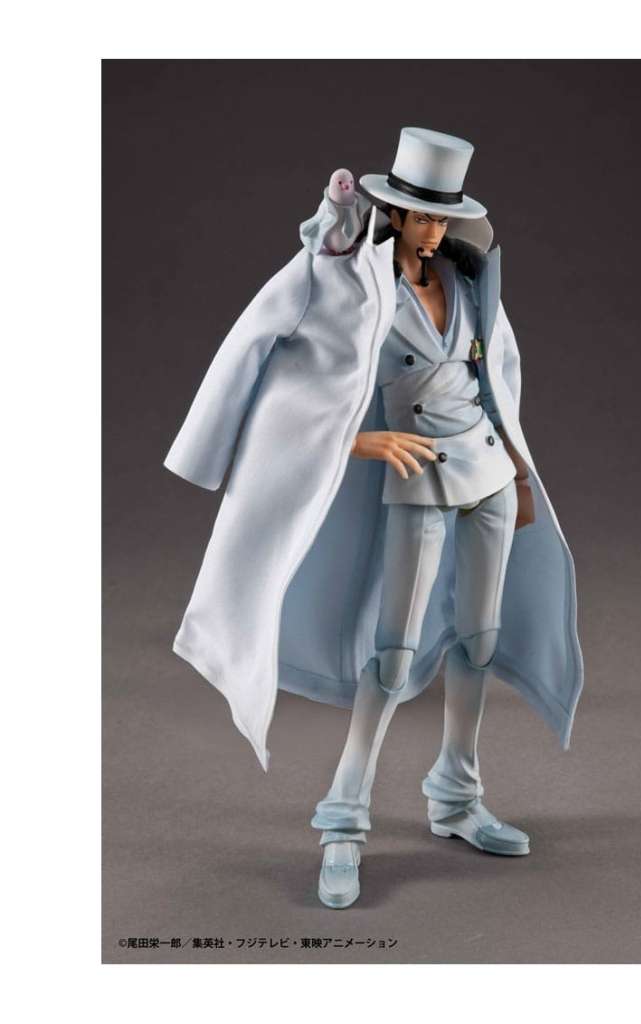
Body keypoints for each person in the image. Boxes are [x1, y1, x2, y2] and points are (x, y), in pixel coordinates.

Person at [163, 127, 584, 912]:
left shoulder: (467, 282)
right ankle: (343, 816)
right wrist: (356, 440)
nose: (432, 230)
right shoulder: (346, 282)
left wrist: (520, 471)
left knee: (479, 639)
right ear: (391, 212)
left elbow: (497, 377)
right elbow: (279, 380)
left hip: (488, 471)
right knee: (392, 652)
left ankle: (455, 792)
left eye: (443, 217)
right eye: (420, 215)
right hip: (415, 474)